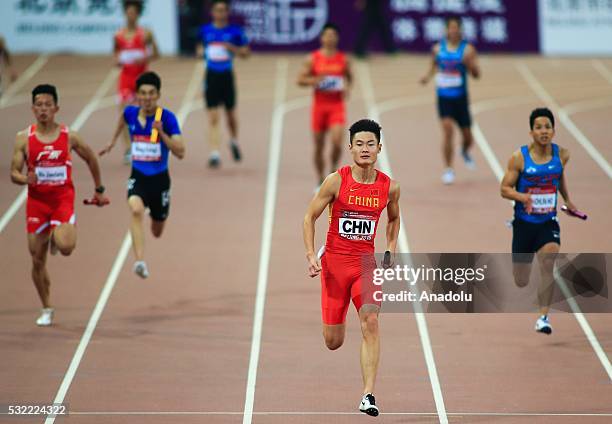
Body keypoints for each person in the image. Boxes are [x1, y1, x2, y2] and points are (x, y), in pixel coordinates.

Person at [303, 119, 400, 416]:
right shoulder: (336, 180)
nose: (365, 149)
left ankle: (368, 395)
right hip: (334, 265)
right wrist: (310, 253)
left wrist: (390, 251)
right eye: (359, 144)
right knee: (333, 341)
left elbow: (394, 220)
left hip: (365, 265)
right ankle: (337, 324)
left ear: (379, 148)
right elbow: (309, 217)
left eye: (371, 144)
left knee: (371, 322)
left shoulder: (389, 187)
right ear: (350, 148)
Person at [10, 84, 109, 326]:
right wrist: (25, 178)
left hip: (62, 200)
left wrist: (98, 189)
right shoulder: (24, 138)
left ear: (56, 108)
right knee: (36, 259)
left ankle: (56, 235)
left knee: (66, 247)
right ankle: (46, 307)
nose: (43, 110)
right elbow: (14, 172)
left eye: (48, 105)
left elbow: (91, 157)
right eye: (39, 105)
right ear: (33, 108)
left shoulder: (69, 136)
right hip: (37, 203)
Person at [500, 108, 579, 334]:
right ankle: (525, 264)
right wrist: (522, 196)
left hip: (547, 222)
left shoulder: (562, 155)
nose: (544, 131)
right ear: (531, 132)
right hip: (524, 224)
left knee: (548, 260)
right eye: (539, 127)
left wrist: (568, 200)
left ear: (554, 131)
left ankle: (543, 318)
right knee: (521, 280)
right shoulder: (519, 158)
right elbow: (504, 188)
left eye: (547, 127)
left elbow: (558, 176)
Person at [100, 72, 184, 279]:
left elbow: (181, 152)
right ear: (137, 95)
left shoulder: (167, 118)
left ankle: (158, 216)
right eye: (143, 93)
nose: (147, 98)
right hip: (138, 176)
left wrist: (162, 133)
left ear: (158, 95)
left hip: (160, 181)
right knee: (136, 209)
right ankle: (139, 261)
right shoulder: (130, 113)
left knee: (157, 230)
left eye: (151, 93)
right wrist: (112, 141)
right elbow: (122, 120)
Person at [420, 16, 480, 185]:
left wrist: (470, 65)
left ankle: (465, 150)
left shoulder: (468, 50)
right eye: (450, 28)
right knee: (447, 131)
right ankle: (448, 169)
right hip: (444, 97)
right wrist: (427, 77)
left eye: (456, 28)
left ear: (460, 30)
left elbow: (476, 75)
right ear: (446, 30)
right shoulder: (438, 49)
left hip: (460, 99)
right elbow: (433, 66)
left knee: (468, 137)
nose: (453, 31)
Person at [298, 23, 353, 188]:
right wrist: (314, 80)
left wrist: (348, 88)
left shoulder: (343, 59)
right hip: (319, 107)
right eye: (326, 35)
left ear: (337, 38)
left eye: (333, 35)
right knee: (319, 146)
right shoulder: (313, 58)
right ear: (321, 38)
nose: (329, 38)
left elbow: (349, 77)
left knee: (337, 142)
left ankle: (333, 170)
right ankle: (320, 178)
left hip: (336, 106)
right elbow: (300, 80)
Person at [196, 0, 249, 168]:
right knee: (213, 117)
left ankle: (233, 141)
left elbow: (246, 53)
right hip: (211, 76)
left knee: (230, 115)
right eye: (217, 10)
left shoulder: (235, 32)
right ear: (212, 12)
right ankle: (214, 153)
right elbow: (199, 48)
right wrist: (199, 52)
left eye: (223, 10)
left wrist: (232, 48)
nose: (220, 13)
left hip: (227, 76)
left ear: (227, 12)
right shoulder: (205, 31)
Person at [114, 0, 159, 164]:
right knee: (125, 114)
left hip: (142, 80)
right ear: (125, 13)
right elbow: (116, 56)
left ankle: (146, 145)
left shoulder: (146, 34)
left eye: (134, 13)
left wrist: (143, 58)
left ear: (138, 14)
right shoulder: (118, 35)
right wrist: (119, 60)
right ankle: (128, 149)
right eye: (128, 12)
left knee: (145, 113)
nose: (131, 16)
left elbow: (156, 53)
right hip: (125, 79)